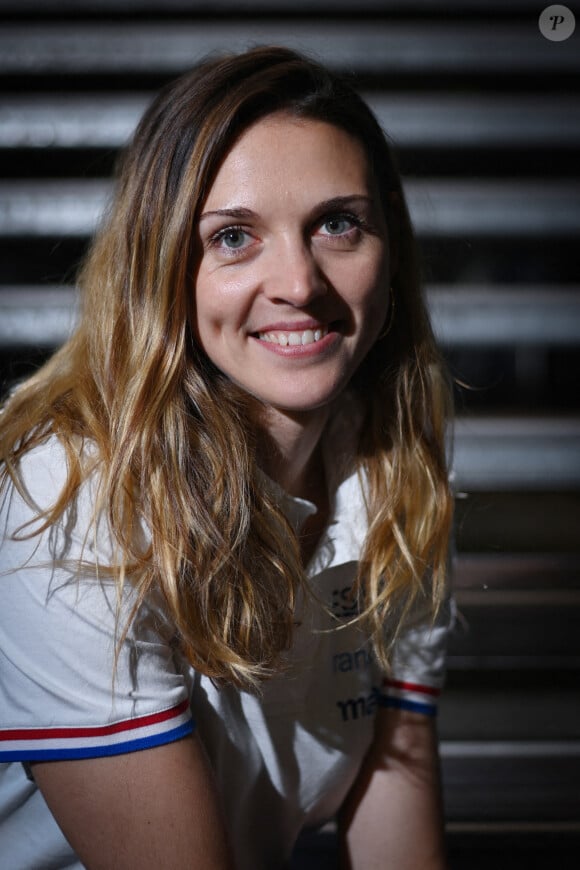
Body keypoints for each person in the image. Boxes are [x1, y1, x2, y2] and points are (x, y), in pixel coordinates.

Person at [0, 46, 454, 869]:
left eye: (337, 223)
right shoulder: (64, 499)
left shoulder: (396, 474)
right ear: (161, 265)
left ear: (389, 241)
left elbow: (395, 782)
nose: (300, 282)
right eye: (235, 237)